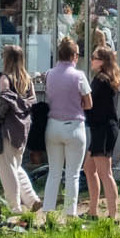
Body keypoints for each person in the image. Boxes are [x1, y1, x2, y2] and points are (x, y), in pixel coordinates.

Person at [41, 37, 91, 217]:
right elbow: (89, 103)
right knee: (73, 174)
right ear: (73, 56)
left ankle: (48, 211)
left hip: (53, 125)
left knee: (54, 172)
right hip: (74, 126)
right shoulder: (79, 76)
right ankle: (70, 213)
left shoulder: (49, 74)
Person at [0, 44, 41, 212]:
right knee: (17, 165)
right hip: (24, 127)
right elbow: (32, 100)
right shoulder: (27, 79)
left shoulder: (5, 78)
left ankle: (15, 207)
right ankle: (32, 199)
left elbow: (4, 100)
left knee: (7, 168)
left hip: (8, 127)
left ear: (7, 59)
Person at [82, 45, 120, 220]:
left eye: (94, 57)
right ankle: (93, 210)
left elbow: (90, 103)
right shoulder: (108, 78)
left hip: (103, 129)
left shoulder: (101, 80)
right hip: (103, 128)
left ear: (102, 61)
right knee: (89, 168)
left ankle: (113, 216)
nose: (91, 60)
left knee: (105, 173)